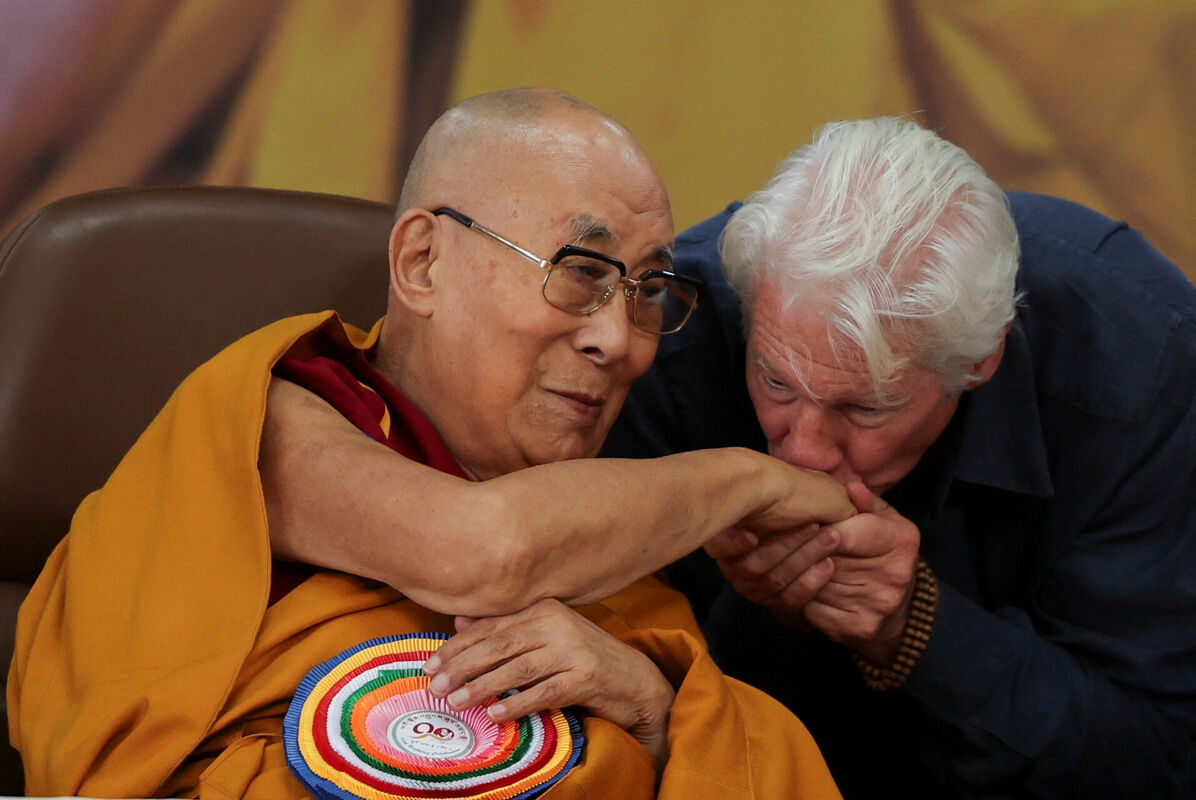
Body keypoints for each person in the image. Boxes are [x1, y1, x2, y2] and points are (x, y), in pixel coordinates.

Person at [8, 88, 855, 799]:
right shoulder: (281, 419)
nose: (623, 342)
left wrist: (652, 712)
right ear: (421, 263)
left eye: (649, 292)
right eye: (584, 271)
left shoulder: (609, 543)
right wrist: (753, 480)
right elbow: (479, 548)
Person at [602, 117, 1196, 799]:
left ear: (981, 359)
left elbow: (1160, 759)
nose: (803, 453)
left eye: (864, 409)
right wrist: (763, 615)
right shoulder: (674, 322)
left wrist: (916, 627)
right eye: (775, 383)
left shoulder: (1141, 371)